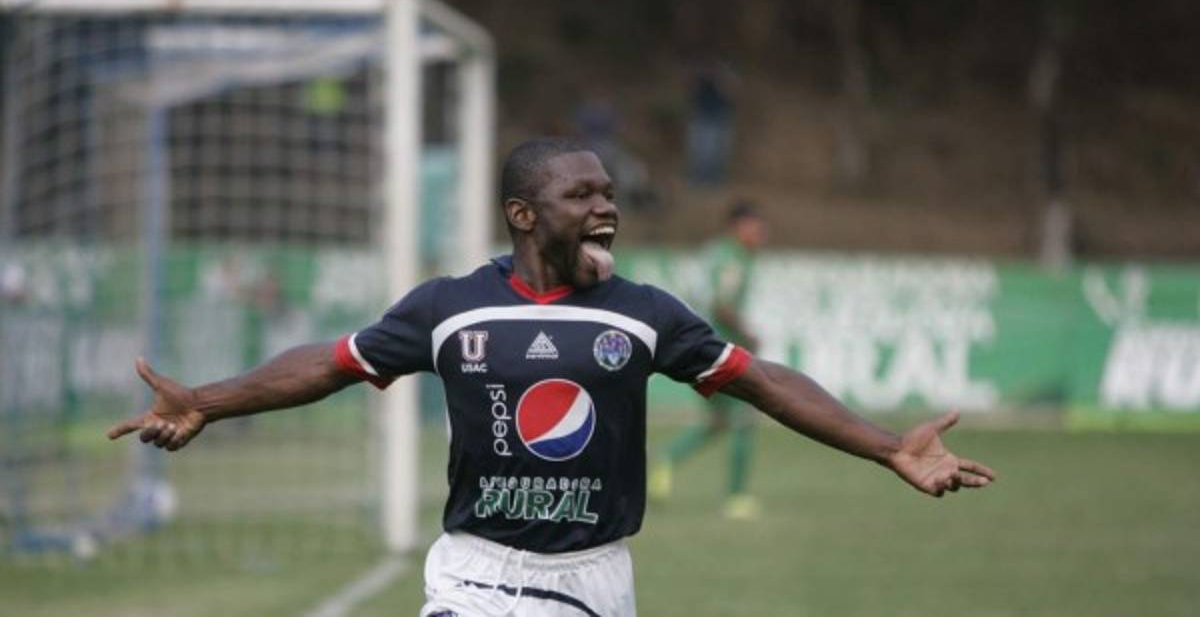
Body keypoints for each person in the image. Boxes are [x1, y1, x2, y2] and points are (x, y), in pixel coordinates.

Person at [108, 137, 995, 617]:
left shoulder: (645, 315)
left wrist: (889, 447)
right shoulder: (450, 308)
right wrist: (208, 402)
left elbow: (761, 380)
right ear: (524, 214)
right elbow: (333, 363)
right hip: (476, 575)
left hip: (596, 579)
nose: (606, 207)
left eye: (609, 194)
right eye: (583, 196)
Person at [649, 202, 766, 519]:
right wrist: (749, 335)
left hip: (698, 347)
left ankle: (666, 457)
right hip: (718, 351)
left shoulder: (715, 253)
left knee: (719, 422)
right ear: (737, 226)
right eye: (755, 228)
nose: (760, 234)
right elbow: (721, 305)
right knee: (743, 417)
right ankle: (737, 498)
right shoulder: (732, 259)